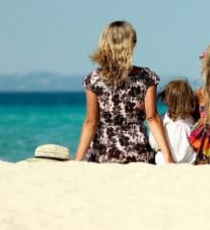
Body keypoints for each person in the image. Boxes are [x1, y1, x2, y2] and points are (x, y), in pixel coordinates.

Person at [74, 21, 173, 164]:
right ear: (131, 44)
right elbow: (152, 118)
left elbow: (91, 122)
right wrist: (167, 155)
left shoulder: (93, 80)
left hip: (104, 153)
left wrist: (77, 160)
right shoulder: (147, 77)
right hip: (137, 151)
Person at [149, 79, 197, 164]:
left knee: (158, 155)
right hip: (189, 162)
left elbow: (154, 143)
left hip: (164, 162)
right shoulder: (192, 122)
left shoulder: (161, 121)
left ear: (166, 100)